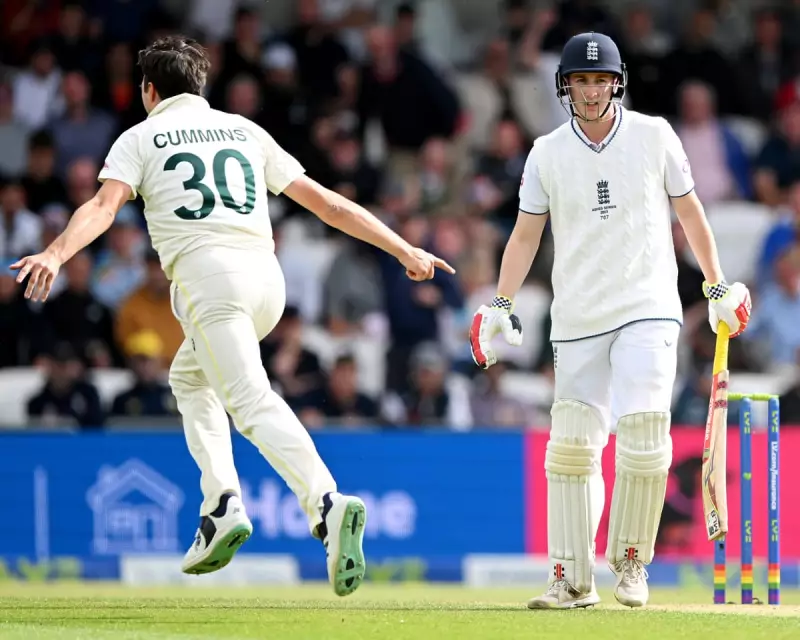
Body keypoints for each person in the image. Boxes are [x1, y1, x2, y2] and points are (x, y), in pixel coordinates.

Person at [12, 35, 454, 598]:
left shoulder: (141, 136)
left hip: (210, 280)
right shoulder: (245, 130)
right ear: (202, 85)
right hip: (267, 282)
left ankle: (325, 502)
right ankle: (221, 502)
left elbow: (102, 207)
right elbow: (329, 205)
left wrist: (53, 253)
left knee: (248, 401)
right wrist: (403, 249)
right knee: (188, 377)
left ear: (149, 90)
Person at [468, 32, 751, 610]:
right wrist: (500, 303)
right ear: (565, 86)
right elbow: (526, 233)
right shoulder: (546, 151)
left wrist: (715, 283)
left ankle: (630, 563)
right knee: (572, 449)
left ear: (616, 83)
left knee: (644, 435)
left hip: (648, 306)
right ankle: (572, 578)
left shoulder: (653, 135)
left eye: (600, 80)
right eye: (580, 81)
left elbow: (689, 211)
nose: (591, 91)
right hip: (576, 315)